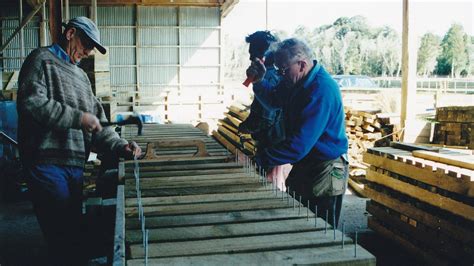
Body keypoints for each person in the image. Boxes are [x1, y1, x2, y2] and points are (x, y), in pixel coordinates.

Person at [16, 16, 141, 264]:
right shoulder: (41, 60)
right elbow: (31, 104)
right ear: (71, 33)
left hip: (73, 165)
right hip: (45, 162)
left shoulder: (82, 78)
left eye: (92, 47)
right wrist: (77, 118)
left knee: (70, 230)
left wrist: (120, 146)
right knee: (61, 232)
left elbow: (99, 123)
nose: (88, 52)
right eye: (86, 44)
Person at [246, 38, 349, 227]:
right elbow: (274, 100)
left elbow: (298, 144)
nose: (280, 75)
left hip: (325, 168)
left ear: (301, 65)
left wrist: (260, 159)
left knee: (320, 228)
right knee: (299, 220)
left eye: (283, 70)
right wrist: (259, 82)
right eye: (277, 70)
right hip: (306, 163)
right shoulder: (295, 83)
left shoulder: (321, 90)